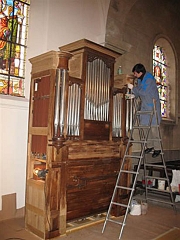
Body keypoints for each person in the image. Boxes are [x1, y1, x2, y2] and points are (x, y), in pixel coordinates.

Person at [127, 63, 162, 158]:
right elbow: (139, 92)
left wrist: (133, 89)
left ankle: (157, 148)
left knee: (154, 128)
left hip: (152, 105)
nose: (134, 75)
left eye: (135, 73)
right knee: (144, 126)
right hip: (145, 106)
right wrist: (133, 95)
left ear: (140, 72)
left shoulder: (149, 80)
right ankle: (150, 146)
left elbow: (144, 92)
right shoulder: (139, 80)